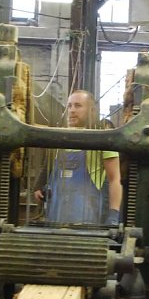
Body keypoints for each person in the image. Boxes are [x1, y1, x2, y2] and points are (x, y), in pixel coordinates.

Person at [33, 90, 121, 226]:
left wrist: (114, 213)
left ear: (91, 110)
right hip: (55, 220)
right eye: (69, 106)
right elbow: (48, 166)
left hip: (88, 222)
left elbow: (115, 179)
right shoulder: (59, 138)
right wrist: (39, 187)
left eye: (78, 106)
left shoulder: (102, 138)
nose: (72, 110)